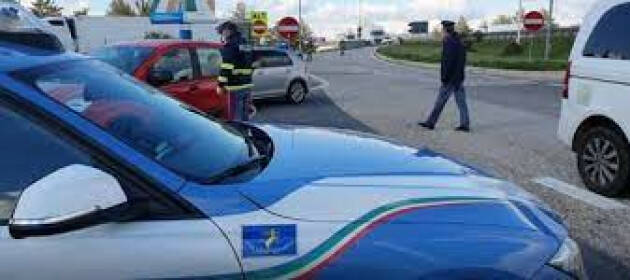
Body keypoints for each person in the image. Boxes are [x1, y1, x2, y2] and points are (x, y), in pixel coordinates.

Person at [419, 20, 470, 132]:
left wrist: (444, 78)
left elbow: (447, 62)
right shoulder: (460, 42)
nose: (442, 32)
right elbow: (462, 60)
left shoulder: (449, 42)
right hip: (458, 78)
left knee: (440, 102)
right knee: (462, 102)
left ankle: (430, 122)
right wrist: (460, 76)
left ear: (445, 30)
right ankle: (465, 124)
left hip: (450, 79)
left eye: (443, 30)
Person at [216, 21, 254, 121]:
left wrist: (220, 85)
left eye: (222, 32)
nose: (222, 35)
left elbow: (226, 67)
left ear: (228, 31)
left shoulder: (230, 45)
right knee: (244, 116)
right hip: (247, 85)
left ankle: (238, 135)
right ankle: (246, 134)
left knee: (235, 117)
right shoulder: (245, 44)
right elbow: (251, 62)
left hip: (235, 86)